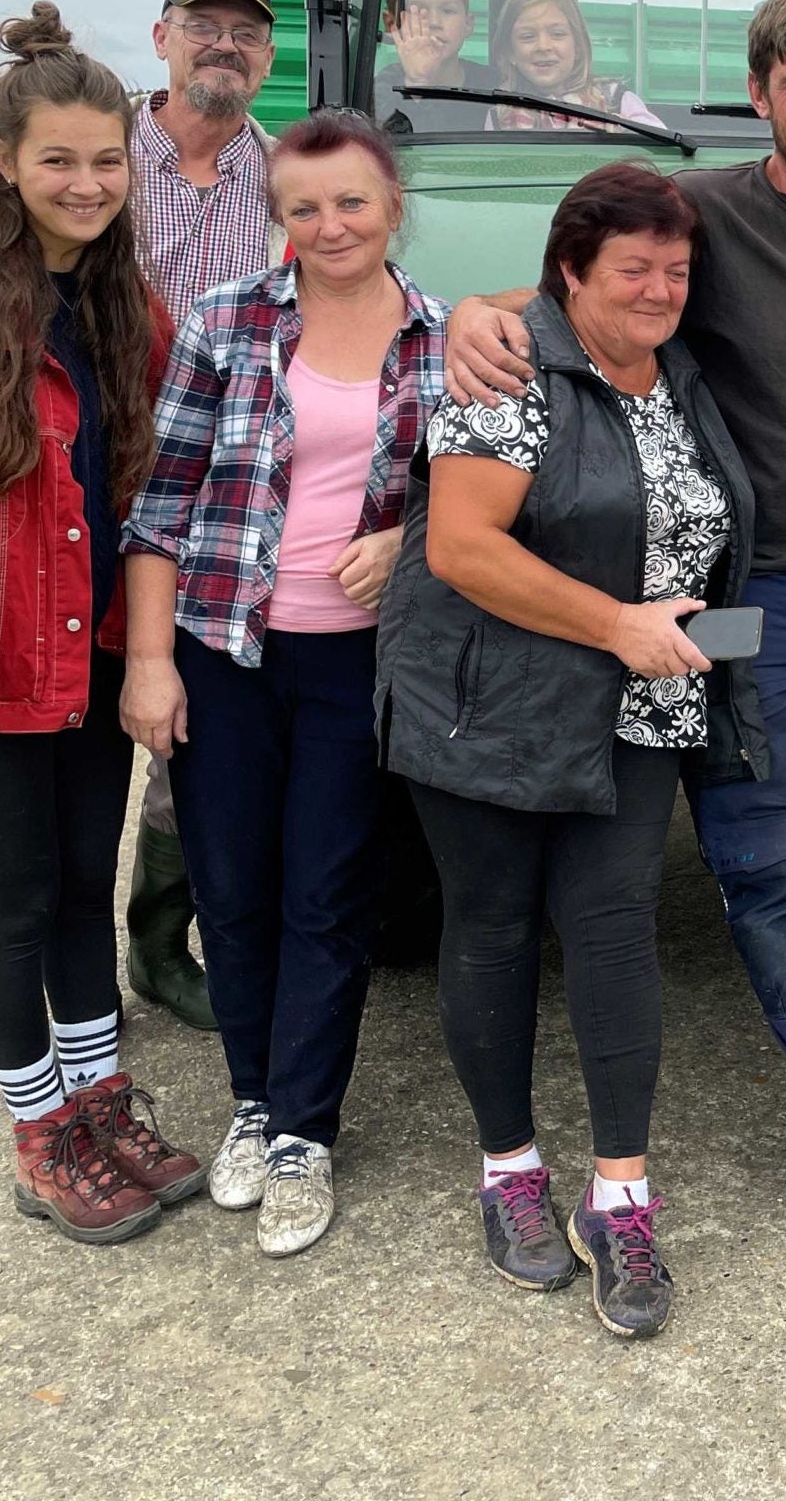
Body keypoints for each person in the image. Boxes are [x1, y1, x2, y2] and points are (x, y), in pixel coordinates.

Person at [442, 0, 786, 1319]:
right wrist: (471, 312)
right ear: (760, 96)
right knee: (784, 864)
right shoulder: (718, 215)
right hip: (746, 610)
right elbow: (591, 283)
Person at [376, 164, 759, 1341]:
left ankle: (621, 1197)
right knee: (490, 926)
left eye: (676, 271)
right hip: (486, 703)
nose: (658, 291)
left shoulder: (684, 375)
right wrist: (622, 626)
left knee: (612, 929)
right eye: (631, 269)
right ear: (570, 273)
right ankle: (508, 1172)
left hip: (634, 708)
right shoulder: (505, 371)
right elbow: (462, 550)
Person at [0, 4, 201, 1243]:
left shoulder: (125, 303)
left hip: (90, 652)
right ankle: (37, 1130)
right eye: (58, 160)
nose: (86, 183)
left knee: (80, 886)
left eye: (107, 160)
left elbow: (170, 467)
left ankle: (97, 1097)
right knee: (12, 899)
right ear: (3, 160)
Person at [120, 110, 449, 1259]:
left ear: (393, 204)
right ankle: (253, 1100)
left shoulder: (440, 339)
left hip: (352, 663)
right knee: (233, 886)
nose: (329, 225)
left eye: (351, 201)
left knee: (328, 892)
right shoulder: (227, 324)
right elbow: (159, 508)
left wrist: (405, 537)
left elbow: (477, 496)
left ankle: (306, 1128)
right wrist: (152, 664)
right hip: (225, 649)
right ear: (281, 216)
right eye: (304, 206)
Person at [125, 0, 283, 1032]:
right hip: (100, 465)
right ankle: (79, 941)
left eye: (245, 33)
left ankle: (158, 935)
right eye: (205, 26)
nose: (224, 46)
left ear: (268, 56)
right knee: (90, 718)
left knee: (185, 714)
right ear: (162, 38)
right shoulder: (104, 154)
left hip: (216, 486)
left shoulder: (281, 175)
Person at [487, 0, 663, 133]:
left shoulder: (615, 98)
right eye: (527, 37)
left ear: (578, 46)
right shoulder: (500, 113)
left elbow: (663, 144)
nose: (543, 46)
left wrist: (621, 128)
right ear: (509, 53)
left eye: (557, 34)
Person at [373, 0, 502, 133]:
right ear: (391, 23)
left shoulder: (496, 85)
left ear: (468, 23)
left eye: (447, 10)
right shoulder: (380, 92)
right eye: (418, 9)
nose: (434, 22)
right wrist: (417, 83)